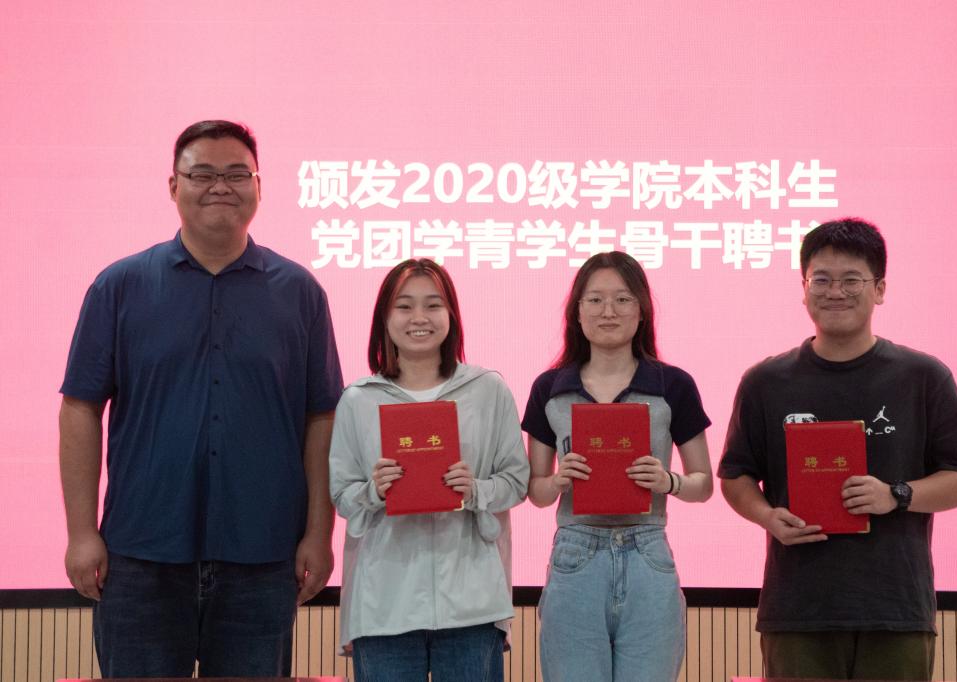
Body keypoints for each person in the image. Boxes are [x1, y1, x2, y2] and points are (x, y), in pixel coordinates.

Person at [58, 120, 343, 677]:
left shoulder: (299, 292)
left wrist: (318, 533)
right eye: (202, 174)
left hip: (262, 555)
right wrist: (81, 532)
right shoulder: (120, 286)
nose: (220, 186)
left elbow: (321, 418)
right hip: (140, 552)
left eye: (236, 174)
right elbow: (80, 410)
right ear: (173, 185)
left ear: (259, 186)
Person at [718, 218, 957, 680]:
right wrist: (766, 516)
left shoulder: (922, 376)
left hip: (895, 608)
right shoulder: (766, 381)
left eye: (851, 280)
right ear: (804, 289)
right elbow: (735, 475)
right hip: (798, 608)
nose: (835, 292)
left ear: (879, 289)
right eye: (821, 280)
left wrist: (896, 495)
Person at [329, 258, 529, 682]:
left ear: (451, 314)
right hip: (384, 605)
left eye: (433, 305)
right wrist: (373, 491)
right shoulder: (359, 399)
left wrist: (475, 490)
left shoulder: (487, 389)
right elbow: (342, 495)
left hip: (472, 603)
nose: (419, 317)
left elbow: (516, 481)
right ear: (384, 318)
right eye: (404, 306)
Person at [521, 251, 713, 682]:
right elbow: (535, 490)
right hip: (575, 553)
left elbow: (703, 484)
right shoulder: (549, 388)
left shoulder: (673, 385)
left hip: (648, 551)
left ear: (642, 310)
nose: (608, 311)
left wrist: (668, 480)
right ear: (577, 312)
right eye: (595, 300)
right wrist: (559, 480)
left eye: (623, 299)